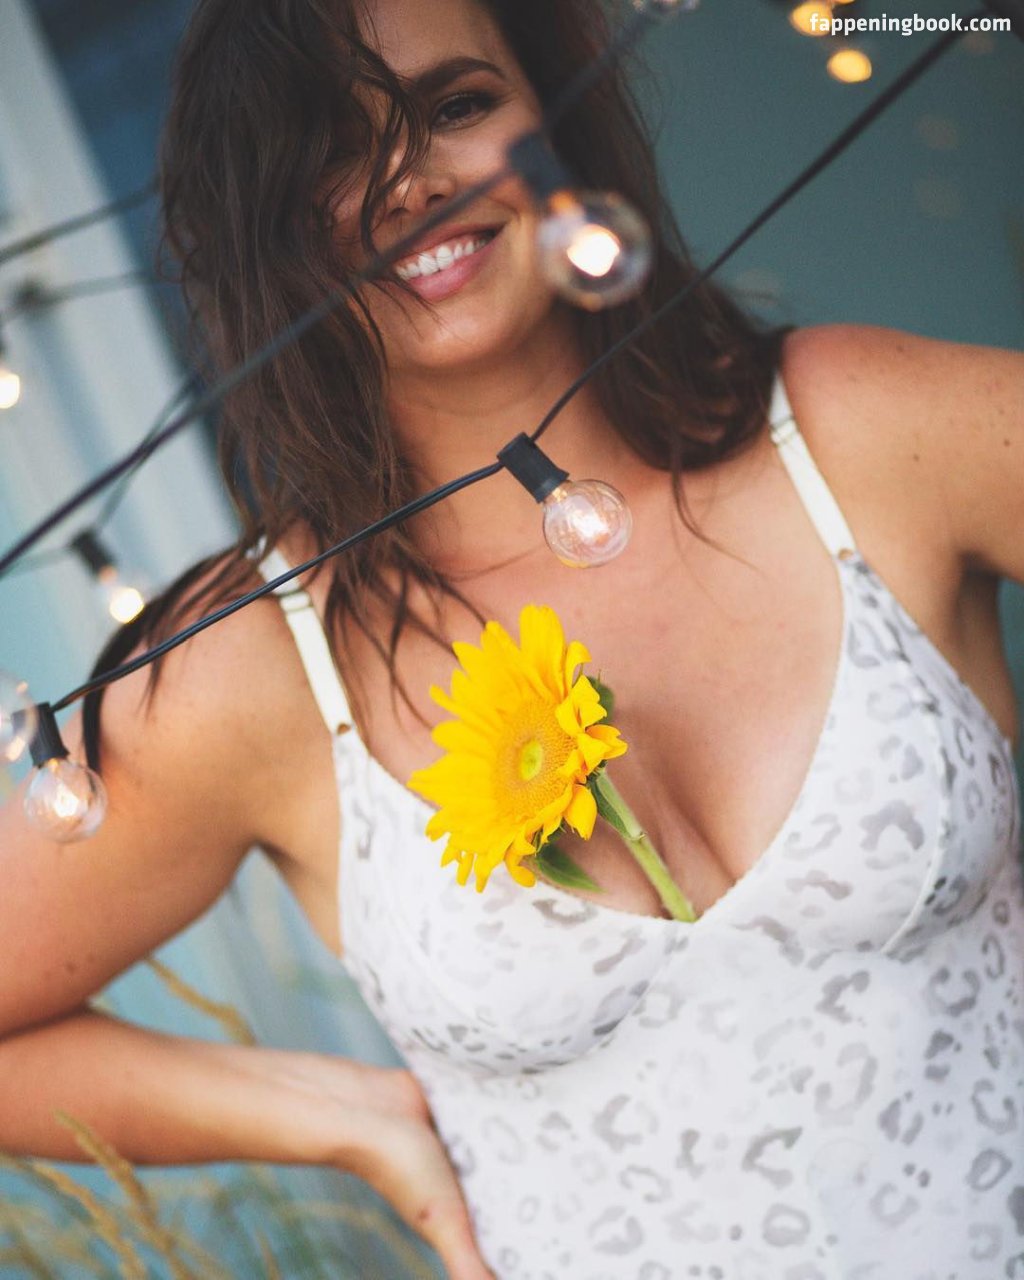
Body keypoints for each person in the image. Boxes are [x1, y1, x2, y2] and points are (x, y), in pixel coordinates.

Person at [1, 0, 1022, 1276]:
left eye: (454, 107)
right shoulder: (258, 663)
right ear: (256, 233)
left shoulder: (854, 432)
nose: (407, 183)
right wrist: (347, 1119)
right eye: (325, 153)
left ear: (557, 115)